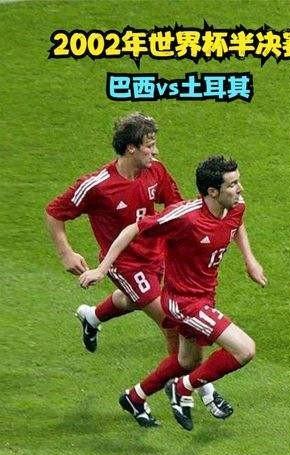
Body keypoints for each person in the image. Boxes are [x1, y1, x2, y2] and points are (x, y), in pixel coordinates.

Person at [44, 112, 234, 420]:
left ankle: (92, 316)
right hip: (125, 264)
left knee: (137, 301)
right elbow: (54, 212)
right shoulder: (97, 185)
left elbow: (176, 207)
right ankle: (201, 391)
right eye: (150, 145)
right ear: (131, 148)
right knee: (174, 323)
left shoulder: (155, 171)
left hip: (158, 255)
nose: (155, 151)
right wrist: (66, 253)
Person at [79, 155, 267, 430]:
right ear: (212, 192)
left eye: (238, 181)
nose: (240, 189)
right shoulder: (186, 217)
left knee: (187, 361)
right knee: (245, 349)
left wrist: (249, 260)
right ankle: (182, 388)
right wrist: (101, 269)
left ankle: (135, 397)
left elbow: (236, 224)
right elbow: (133, 229)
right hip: (183, 303)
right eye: (232, 184)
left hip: (205, 296)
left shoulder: (236, 206)